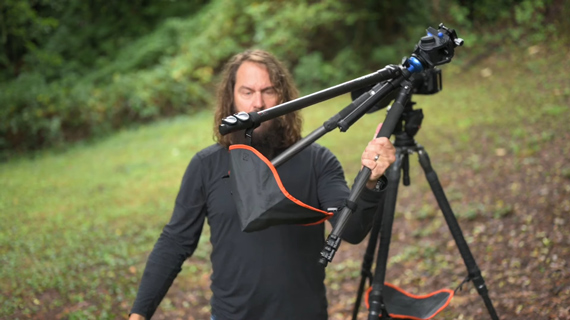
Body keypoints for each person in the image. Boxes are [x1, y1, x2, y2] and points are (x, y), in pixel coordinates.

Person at [129, 50, 396, 320]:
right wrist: (139, 314)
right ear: (230, 98)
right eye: (247, 92)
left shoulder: (318, 160)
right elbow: (175, 242)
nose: (258, 102)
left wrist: (371, 181)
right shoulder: (206, 166)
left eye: (268, 91)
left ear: (284, 97)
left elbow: (349, 230)